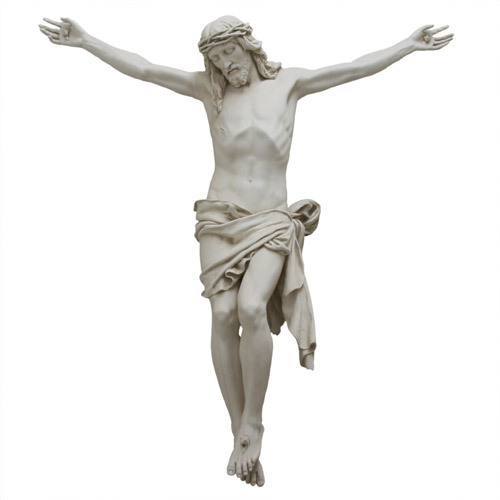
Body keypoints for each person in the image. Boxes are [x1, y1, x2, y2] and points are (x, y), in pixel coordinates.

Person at [39, 15, 453, 487]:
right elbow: (146, 69)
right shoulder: (208, 91)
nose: (224, 64)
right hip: (220, 218)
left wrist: (407, 45)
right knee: (222, 315)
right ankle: (240, 431)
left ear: (247, 46)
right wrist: (86, 41)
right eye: (216, 58)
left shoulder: (289, 84)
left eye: (229, 53)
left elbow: (353, 68)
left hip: (271, 218)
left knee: (251, 307)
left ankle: (254, 420)